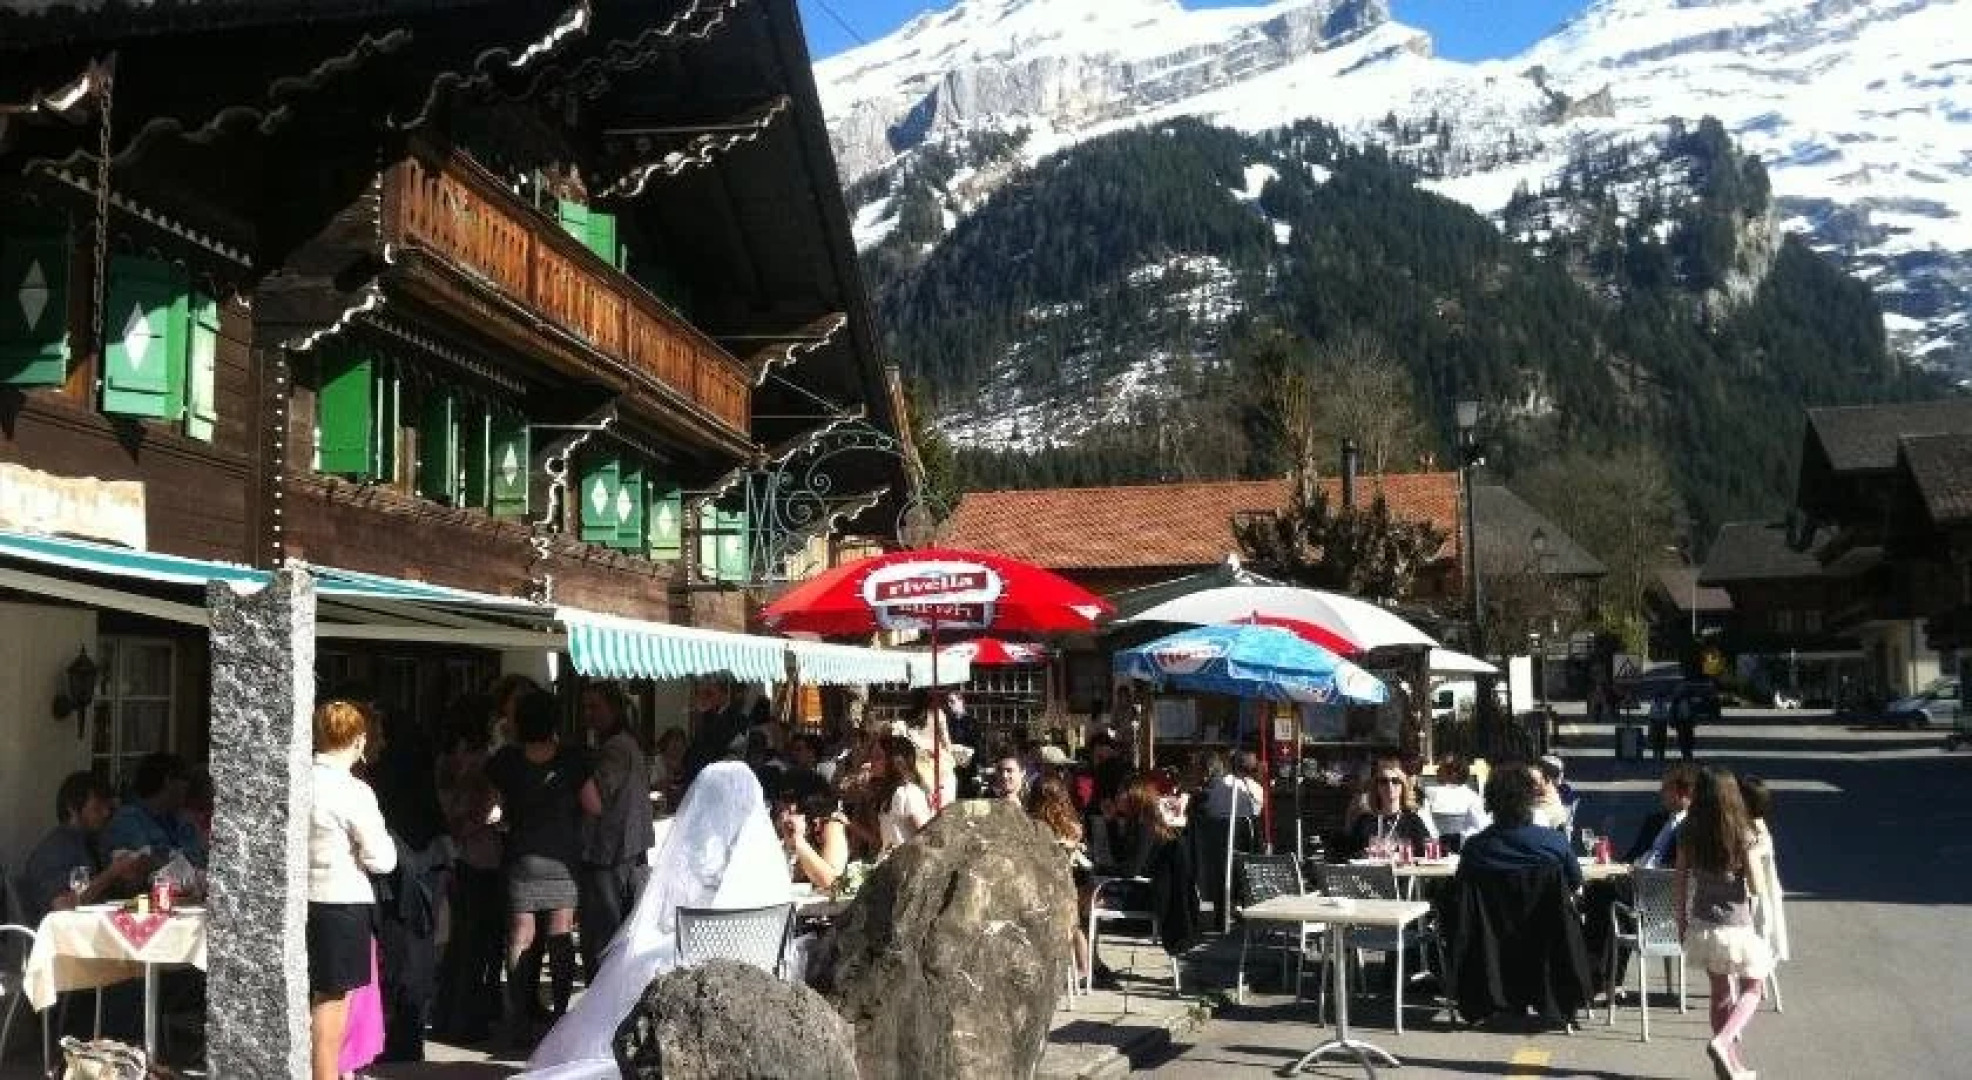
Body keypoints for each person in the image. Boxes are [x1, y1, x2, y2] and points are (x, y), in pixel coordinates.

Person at [521, 763, 787, 1080]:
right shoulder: (764, 858)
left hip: (697, 970)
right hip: (757, 973)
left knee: (630, 965)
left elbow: (668, 909)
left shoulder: (700, 855)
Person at [486, 690, 590, 1038]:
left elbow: (493, 808)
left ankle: (517, 1021)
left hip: (522, 858)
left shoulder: (506, 761)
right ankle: (561, 1018)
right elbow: (594, 805)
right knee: (561, 937)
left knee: (520, 938)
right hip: (561, 858)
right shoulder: (573, 759)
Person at [308, 701, 398, 1080]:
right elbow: (382, 858)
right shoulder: (354, 791)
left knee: (308, 998)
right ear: (359, 741)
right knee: (332, 1005)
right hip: (342, 901)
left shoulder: (299, 781)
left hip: (304, 899)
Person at [1675, 769, 1773, 1080]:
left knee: (1719, 992)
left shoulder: (1688, 832)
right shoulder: (1741, 834)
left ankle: (1731, 1066)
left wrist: (1681, 919)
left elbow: (1680, 880)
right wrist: (1755, 852)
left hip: (1702, 923)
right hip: (1735, 926)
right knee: (1754, 986)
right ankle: (1723, 1040)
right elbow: (1757, 887)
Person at [433, 694, 503, 1043]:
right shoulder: (483, 765)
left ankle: (447, 1014)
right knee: (477, 944)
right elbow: (482, 810)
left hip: (455, 856)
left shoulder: (444, 763)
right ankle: (468, 1018)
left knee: (459, 942)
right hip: (483, 857)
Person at [575, 682, 654, 983]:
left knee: (604, 933)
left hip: (611, 851)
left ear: (614, 709)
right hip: (621, 849)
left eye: (595, 706)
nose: (589, 714)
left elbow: (597, 797)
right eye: (585, 707)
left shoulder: (616, 747)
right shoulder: (624, 744)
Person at [22, 771, 150, 922]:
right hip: (65, 936)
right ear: (72, 808)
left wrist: (133, 875)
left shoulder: (93, 842)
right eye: (97, 808)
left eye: (108, 807)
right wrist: (112, 873)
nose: (106, 813)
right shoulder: (55, 850)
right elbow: (64, 906)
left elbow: (107, 895)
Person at [1456, 765, 1581, 891]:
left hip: (1492, 910)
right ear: (1532, 799)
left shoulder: (1473, 849)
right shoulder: (1556, 843)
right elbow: (1575, 882)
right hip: (1546, 910)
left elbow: (1462, 891)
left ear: (1489, 802)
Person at [1027, 773, 1093, 982]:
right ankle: (1084, 967)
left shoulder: (1033, 826)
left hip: (1060, 887)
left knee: (1072, 923)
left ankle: (1083, 967)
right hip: (1067, 886)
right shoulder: (1071, 825)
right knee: (1075, 925)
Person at [103, 752, 207, 868]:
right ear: (168, 781)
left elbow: (200, 859)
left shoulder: (178, 818)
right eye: (185, 779)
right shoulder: (128, 819)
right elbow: (150, 864)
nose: (188, 787)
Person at [1740, 776, 1790, 974]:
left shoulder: (1754, 832)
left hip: (1755, 904)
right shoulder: (1757, 827)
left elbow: (1752, 880)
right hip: (1758, 901)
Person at [1346, 757, 1437, 859]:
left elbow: (1427, 852)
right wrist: (1363, 854)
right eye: (1383, 781)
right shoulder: (1365, 821)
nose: (1390, 786)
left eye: (1395, 781)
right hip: (1371, 873)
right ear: (1377, 787)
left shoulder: (1412, 820)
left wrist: (1400, 855)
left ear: (1403, 786)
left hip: (1402, 873)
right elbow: (1348, 853)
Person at [775, 788, 850, 891]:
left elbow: (831, 882)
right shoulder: (781, 824)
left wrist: (799, 840)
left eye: (789, 803)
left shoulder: (831, 825)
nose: (783, 815)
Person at [1623, 764, 1696, 868]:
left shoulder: (1695, 826)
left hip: (1662, 880)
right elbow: (1632, 855)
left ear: (1685, 793)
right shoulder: (1654, 821)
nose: (1660, 792)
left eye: (1666, 788)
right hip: (1634, 876)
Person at [877, 735, 934, 853]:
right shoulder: (890, 792)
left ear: (893, 761)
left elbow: (925, 838)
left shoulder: (909, 793)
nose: (871, 761)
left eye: (877, 757)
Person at [1422, 755, 1489, 851]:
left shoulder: (1431, 793)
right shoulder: (1472, 796)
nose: (1437, 771)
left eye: (1441, 768)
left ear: (1453, 773)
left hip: (1437, 848)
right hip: (1455, 848)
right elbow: (1481, 826)